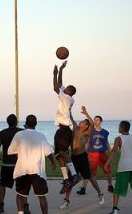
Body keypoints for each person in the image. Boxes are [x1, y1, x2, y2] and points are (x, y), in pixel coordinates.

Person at [8, 115, 56, 214]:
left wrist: (21, 157)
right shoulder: (41, 135)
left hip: (22, 170)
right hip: (37, 171)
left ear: (25, 123)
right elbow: (49, 153)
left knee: (20, 194)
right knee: (42, 196)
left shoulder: (19, 135)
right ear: (36, 123)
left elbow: (11, 151)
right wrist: (53, 162)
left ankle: (20, 212)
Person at [59, 106, 104, 209]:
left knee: (90, 177)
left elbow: (92, 124)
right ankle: (66, 200)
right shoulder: (75, 129)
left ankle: (100, 193)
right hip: (73, 158)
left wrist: (86, 113)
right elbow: (71, 118)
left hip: (82, 158)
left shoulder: (87, 133)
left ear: (86, 125)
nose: (81, 122)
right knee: (70, 180)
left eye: (83, 122)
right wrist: (69, 109)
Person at [105, 121, 132, 214]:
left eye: (119, 126)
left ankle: (115, 210)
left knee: (118, 189)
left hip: (124, 167)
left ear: (122, 128)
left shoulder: (118, 139)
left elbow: (113, 151)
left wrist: (107, 163)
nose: (118, 128)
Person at [53, 61, 80, 195]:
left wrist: (55, 73)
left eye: (67, 88)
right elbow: (60, 85)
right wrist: (61, 70)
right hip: (61, 128)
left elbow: (56, 86)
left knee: (63, 153)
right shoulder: (65, 97)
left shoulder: (67, 98)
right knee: (58, 155)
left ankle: (74, 175)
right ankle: (66, 180)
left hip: (65, 130)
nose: (65, 88)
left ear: (70, 91)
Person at [0, 114, 24, 213]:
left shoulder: (2, 133)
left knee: (2, 185)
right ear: (16, 122)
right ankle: (25, 207)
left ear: (7, 122)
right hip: (20, 164)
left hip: (6, 164)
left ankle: (1, 205)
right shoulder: (21, 132)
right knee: (22, 186)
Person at [76, 115, 114, 195]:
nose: (96, 121)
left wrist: (111, 151)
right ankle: (83, 188)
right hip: (92, 154)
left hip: (101, 153)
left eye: (97, 120)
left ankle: (110, 185)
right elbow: (87, 142)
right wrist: (84, 151)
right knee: (88, 172)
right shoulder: (91, 131)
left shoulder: (105, 132)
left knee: (108, 170)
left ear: (101, 121)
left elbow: (106, 142)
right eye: (94, 120)